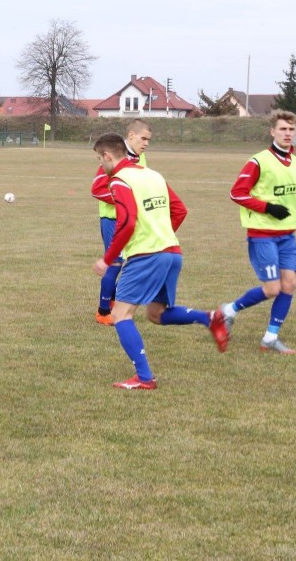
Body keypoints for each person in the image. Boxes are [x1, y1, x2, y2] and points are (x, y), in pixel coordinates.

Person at [91, 133, 228, 390]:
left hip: (147, 255)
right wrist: (162, 235)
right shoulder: (153, 175)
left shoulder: (119, 180)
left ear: (108, 157)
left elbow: (127, 222)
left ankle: (145, 378)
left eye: (100, 159)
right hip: (171, 252)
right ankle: (209, 318)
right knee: (156, 314)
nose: (101, 164)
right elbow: (180, 210)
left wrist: (108, 259)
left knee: (120, 314)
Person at [220, 110, 296, 354]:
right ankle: (228, 310)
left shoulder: (295, 161)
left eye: (291, 129)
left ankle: (270, 338)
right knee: (273, 288)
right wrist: (267, 208)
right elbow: (236, 193)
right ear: (272, 131)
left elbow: (284, 197)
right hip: (263, 234)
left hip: (287, 235)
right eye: (283, 129)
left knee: (289, 285)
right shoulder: (258, 160)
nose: (287, 133)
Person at [90, 119, 151, 326]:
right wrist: (123, 200)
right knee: (114, 264)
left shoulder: (141, 159)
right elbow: (98, 189)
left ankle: (115, 305)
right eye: (143, 138)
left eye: (148, 140)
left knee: (124, 263)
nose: (146, 143)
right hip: (112, 219)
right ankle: (103, 311)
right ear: (131, 136)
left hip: (129, 219)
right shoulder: (113, 157)